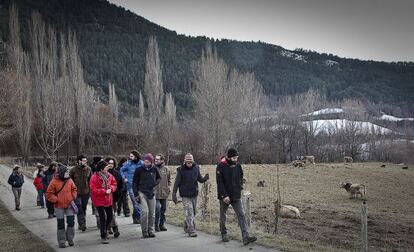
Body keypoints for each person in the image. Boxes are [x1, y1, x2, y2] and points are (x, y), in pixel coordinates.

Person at [216, 148, 257, 245]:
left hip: (236, 196)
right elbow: (220, 183)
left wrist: (240, 186)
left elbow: (241, 176)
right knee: (223, 216)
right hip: (224, 196)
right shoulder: (220, 166)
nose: (236, 159)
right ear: (229, 157)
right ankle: (223, 233)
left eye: (237, 157)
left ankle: (245, 237)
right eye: (234, 158)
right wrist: (224, 196)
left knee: (241, 215)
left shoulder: (238, 166)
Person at [172, 153, 209, 237]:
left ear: (193, 161)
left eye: (191, 162)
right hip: (185, 195)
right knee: (189, 211)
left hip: (194, 194)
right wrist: (174, 194)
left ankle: (187, 222)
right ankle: (191, 229)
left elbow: (200, 179)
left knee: (194, 212)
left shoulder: (196, 168)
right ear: (185, 162)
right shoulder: (181, 170)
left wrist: (205, 178)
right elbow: (176, 183)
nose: (189, 164)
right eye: (188, 162)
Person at [45, 164, 77, 248]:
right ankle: (62, 241)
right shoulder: (54, 181)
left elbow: (74, 189)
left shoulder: (69, 180)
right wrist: (56, 199)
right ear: (61, 173)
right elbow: (48, 194)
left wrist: (73, 197)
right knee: (61, 224)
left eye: (68, 172)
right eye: (66, 172)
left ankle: (70, 239)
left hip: (69, 205)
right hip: (59, 206)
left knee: (71, 222)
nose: (67, 173)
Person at [132, 153, 160, 238]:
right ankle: (144, 231)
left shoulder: (154, 169)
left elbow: (159, 178)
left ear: (151, 162)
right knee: (144, 212)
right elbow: (134, 183)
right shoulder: (139, 169)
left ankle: (150, 230)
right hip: (141, 192)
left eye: (148, 162)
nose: (146, 163)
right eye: (145, 161)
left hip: (151, 193)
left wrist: (155, 183)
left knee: (152, 213)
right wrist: (136, 195)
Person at [90, 160, 117, 244]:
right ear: (101, 169)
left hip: (108, 199)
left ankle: (105, 229)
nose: (107, 169)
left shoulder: (109, 175)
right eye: (106, 167)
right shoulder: (94, 177)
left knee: (110, 216)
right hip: (98, 200)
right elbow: (93, 189)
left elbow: (114, 184)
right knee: (103, 217)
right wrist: (104, 191)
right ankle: (103, 234)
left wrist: (111, 189)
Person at [69, 155, 92, 232]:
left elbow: (91, 181)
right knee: (79, 207)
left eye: (86, 161)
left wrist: (91, 191)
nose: (85, 162)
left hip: (86, 192)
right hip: (76, 193)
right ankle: (82, 224)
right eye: (83, 161)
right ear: (79, 161)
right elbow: (69, 182)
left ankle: (81, 222)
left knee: (83, 207)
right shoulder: (73, 170)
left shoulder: (89, 169)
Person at [120, 150, 143, 224]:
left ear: (136, 156)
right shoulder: (128, 164)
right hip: (131, 186)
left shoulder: (142, 163)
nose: (130, 158)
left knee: (139, 202)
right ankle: (141, 217)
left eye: (131, 156)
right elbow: (121, 170)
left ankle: (136, 218)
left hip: (140, 186)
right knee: (135, 202)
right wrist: (124, 178)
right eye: (129, 156)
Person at [154, 154, 171, 232]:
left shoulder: (166, 169)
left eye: (158, 159)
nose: (156, 160)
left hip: (164, 193)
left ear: (162, 160)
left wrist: (169, 188)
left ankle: (162, 225)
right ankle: (156, 225)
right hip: (155, 193)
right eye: (155, 159)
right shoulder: (153, 168)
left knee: (163, 210)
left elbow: (169, 180)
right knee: (157, 208)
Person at [106, 157, 121, 238]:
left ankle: (109, 228)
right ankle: (114, 229)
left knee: (112, 214)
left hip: (114, 197)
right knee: (110, 214)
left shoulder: (117, 174)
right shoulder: (102, 173)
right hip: (104, 197)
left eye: (112, 163)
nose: (110, 165)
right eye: (109, 163)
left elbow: (121, 185)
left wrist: (119, 195)